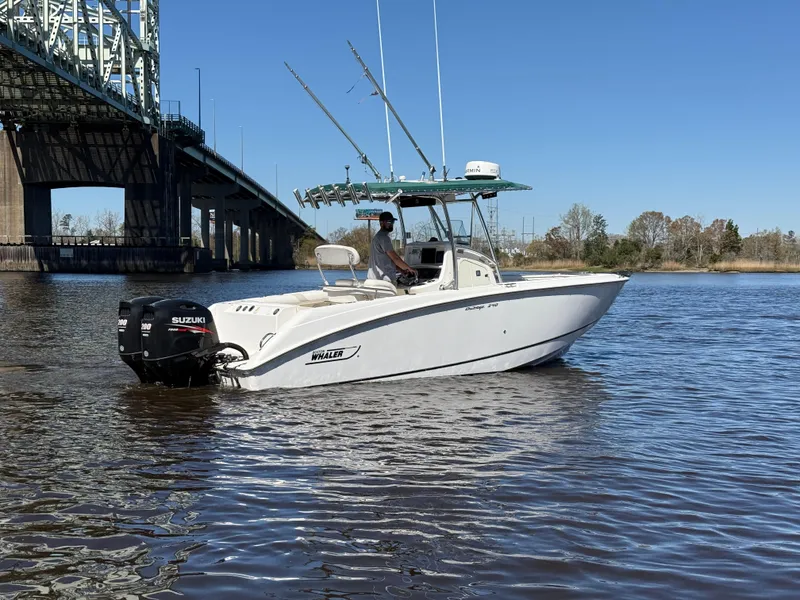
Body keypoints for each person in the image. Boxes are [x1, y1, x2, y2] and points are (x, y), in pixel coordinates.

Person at [366, 211, 417, 282]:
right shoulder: (384, 238)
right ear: (382, 223)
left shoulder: (377, 237)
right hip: (383, 280)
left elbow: (388, 260)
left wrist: (401, 270)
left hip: (373, 279)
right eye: (389, 222)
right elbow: (395, 258)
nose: (392, 224)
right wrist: (409, 269)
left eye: (393, 222)